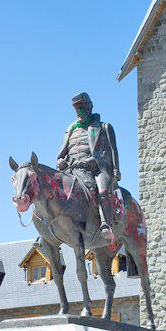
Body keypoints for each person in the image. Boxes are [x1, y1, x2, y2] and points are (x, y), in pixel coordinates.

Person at [56, 92, 122, 240]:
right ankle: (51, 228)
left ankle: (106, 223)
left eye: (82, 107)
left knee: (102, 190)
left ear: (89, 106)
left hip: (96, 168)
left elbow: (112, 150)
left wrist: (116, 169)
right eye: (77, 108)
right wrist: (60, 161)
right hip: (71, 170)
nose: (79, 111)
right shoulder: (70, 129)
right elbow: (61, 154)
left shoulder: (104, 127)